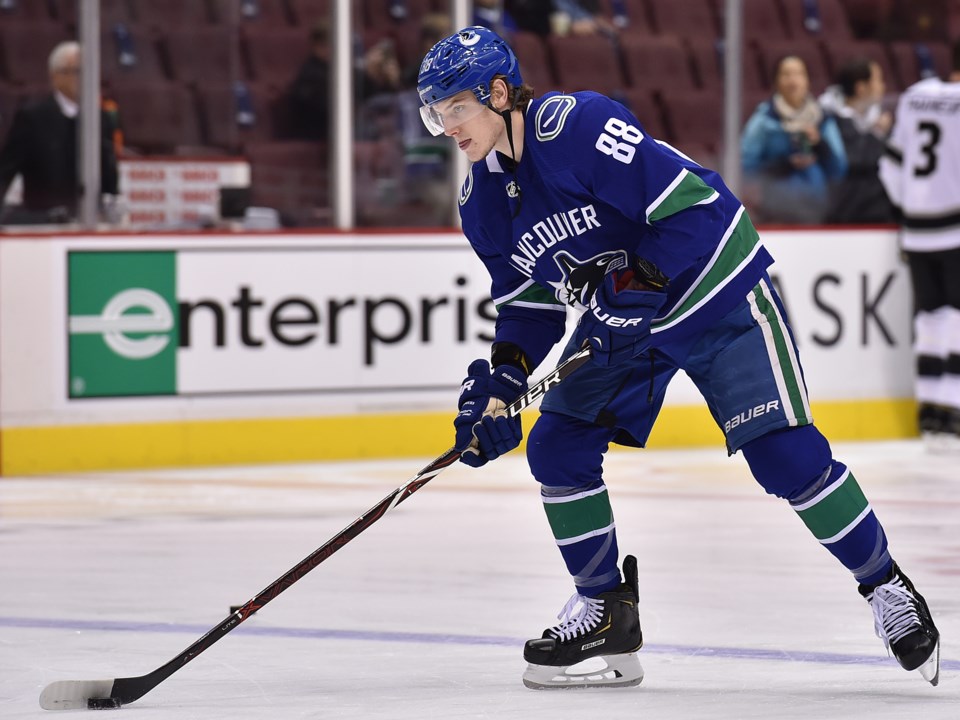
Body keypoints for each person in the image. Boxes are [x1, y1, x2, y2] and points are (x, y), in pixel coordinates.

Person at [417, 27, 940, 690]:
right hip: (626, 320)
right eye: (436, 115)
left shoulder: (575, 126)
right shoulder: (481, 205)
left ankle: (884, 585)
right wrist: (501, 384)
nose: (447, 127)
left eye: (455, 108)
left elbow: (691, 207)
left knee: (785, 457)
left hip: (712, 286)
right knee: (557, 445)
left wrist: (636, 286)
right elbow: (530, 307)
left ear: (498, 91)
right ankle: (606, 608)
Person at [879, 40, 960, 446]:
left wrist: (910, 208)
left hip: (917, 228)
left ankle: (929, 412)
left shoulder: (916, 96)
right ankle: (951, 410)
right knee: (956, 317)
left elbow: (890, 164)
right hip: (956, 228)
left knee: (929, 316)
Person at [0, 41, 119, 224]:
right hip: (45, 224)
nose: (84, 79)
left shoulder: (100, 119)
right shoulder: (33, 118)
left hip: (90, 223)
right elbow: (6, 170)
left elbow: (109, 175)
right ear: (55, 76)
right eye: (77, 72)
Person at [741, 54, 847, 224]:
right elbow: (746, 166)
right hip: (776, 211)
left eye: (799, 74)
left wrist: (820, 144)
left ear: (807, 80)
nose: (793, 80)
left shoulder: (822, 119)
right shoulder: (765, 119)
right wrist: (786, 164)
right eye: (786, 74)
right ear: (776, 82)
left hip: (818, 210)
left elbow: (839, 168)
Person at [819, 57, 896, 224]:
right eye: (878, 80)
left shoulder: (873, 119)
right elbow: (854, 161)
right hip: (849, 211)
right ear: (861, 88)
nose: (883, 86)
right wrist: (877, 134)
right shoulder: (832, 122)